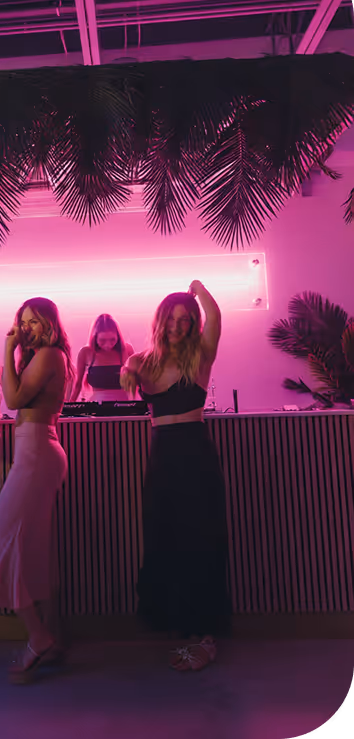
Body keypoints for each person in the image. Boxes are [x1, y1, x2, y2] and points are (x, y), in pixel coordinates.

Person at [120, 280, 231, 672]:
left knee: (199, 538)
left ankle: (205, 636)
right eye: (172, 318)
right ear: (162, 320)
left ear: (193, 323)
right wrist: (128, 367)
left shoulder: (201, 355)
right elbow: (130, 364)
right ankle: (181, 626)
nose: (178, 326)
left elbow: (216, 316)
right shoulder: (147, 361)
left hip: (194, 452)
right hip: (161, 453)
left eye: (186, 320)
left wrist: (199, 289)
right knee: (166, 536)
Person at [0, 297, 74, 684]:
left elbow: (15, 400)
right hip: (34, 450)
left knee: (3, 542)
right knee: (31, 548)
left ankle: (38, 637)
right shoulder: (45, 356)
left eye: (34, 322)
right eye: (23, 322)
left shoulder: (50, 355)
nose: (27, 329)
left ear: (51, 323)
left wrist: (6, 348)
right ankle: (52, 636)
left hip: (36, 452)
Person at [70, 314, 135, 402]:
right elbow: (78, 384)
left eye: (112, 339)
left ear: (118, 337)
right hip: (97, 405)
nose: (108, 345)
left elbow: (137, 382)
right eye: (102, 340)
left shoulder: (127, 350)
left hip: (124, 404)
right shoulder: (86, 352)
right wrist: (70, 406)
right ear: (95, 337)